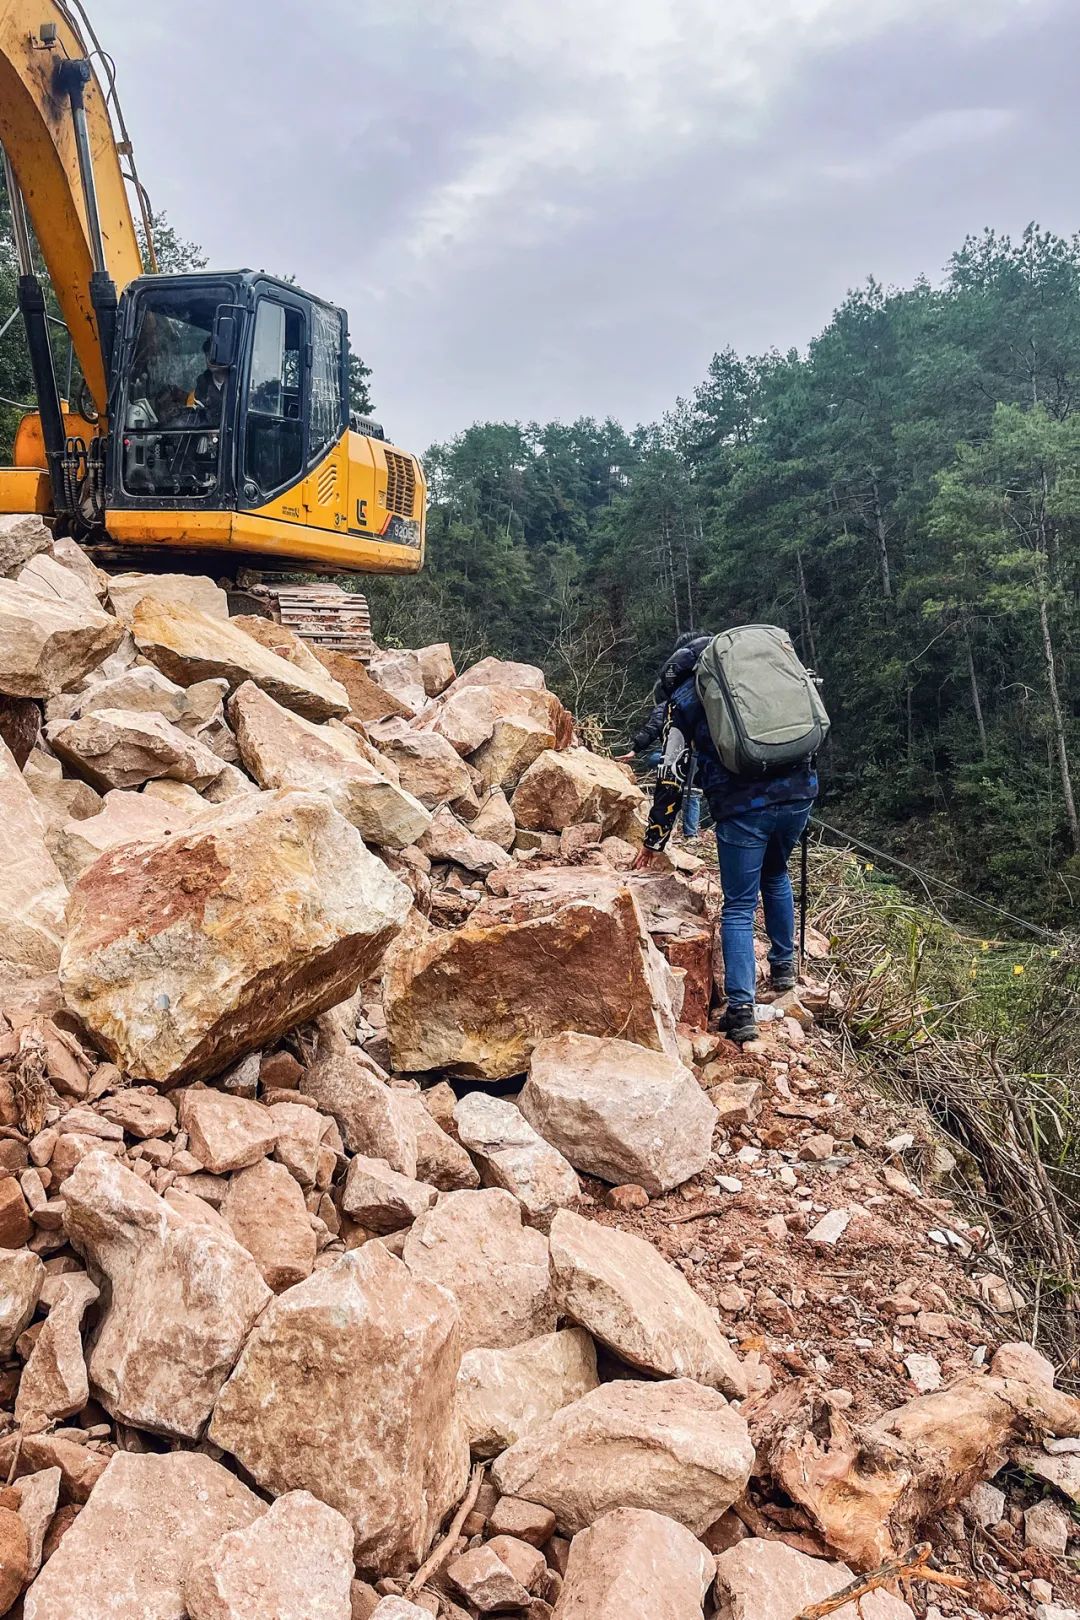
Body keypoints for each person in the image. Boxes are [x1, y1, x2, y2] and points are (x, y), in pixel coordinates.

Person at [633, 632, 817, 1044]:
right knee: (776, 874)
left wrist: (655, 838)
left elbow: (672, 773)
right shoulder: (755, 673)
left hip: (742, 808)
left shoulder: (682, 700)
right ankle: (785, 969)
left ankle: (741, 1011)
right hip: (799, 792)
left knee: (737, 906)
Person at [189, 337, 229, 426]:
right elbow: (196, 412)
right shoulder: (202, 383)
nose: (209, 359)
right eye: (207, 355)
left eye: (214, 355)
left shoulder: (238, 382)